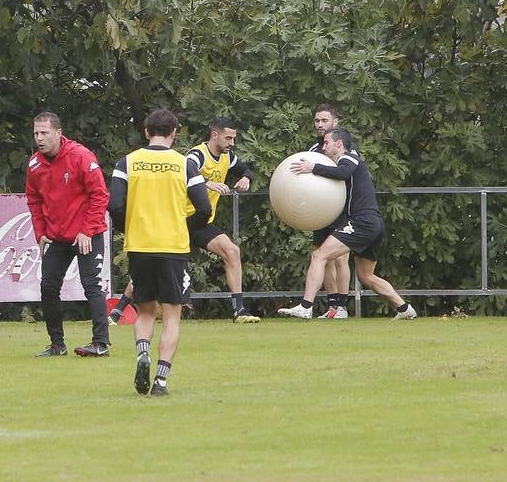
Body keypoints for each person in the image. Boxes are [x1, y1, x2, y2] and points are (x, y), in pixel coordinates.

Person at [110, 117, 259, 323]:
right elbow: (187, 174)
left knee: (232, 251)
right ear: (214, 135)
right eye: (228, 138)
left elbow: (245, 169)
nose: (232, 143)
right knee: (149, 268)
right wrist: (209, 184)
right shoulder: (196, 155)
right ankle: (118, 311)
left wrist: (246, 178)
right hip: (179, 220)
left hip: (199, 222)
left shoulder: (228, 157)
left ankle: (239, 310)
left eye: (233, 138)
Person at [109, 109, 212, 396]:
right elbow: (204, 208)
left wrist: (128, 227)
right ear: (174, 132)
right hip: (173, 247)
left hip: (140, 245)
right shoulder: (184, 165)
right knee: (171, 316)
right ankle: (161, 381)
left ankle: (143, 354)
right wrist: (184, 227)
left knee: (144, 311)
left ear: (146, 132)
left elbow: (115, 205)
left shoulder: (127, 162)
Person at [277, 128, 416, 320]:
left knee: (319, 255)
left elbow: (343, 172)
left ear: (339, 144)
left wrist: (313, 168)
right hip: (372, 224)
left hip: (363, 222)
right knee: (366, 276)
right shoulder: (340, 161)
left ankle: (305, 306)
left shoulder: (348, 158)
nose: (323, 147)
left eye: (326, 143)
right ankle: (405, 309)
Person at [25, 111, 111, 358]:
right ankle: (57, 345)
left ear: (58, 133)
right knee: (48, 286)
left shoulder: (81, 156)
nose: (39, 138)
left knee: (91, 285)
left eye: (44, 133)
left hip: (86, 235)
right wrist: (40, 233)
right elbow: (34, 200)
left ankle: (100, 343)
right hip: (57, 237)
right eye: (36, 133)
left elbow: (100, 195)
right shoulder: (34, 164)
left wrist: (87, 230)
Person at [309, 103, 355, 319]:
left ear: (335, 122)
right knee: (321, 257)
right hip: (319, 210)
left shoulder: (346, 148)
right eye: (317, 120)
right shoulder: (312, 150)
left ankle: (343, 307)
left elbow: (345, 173)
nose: (320, 124)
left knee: (340, 259)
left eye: (324, 120)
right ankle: (333, 306)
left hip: (341, 209)